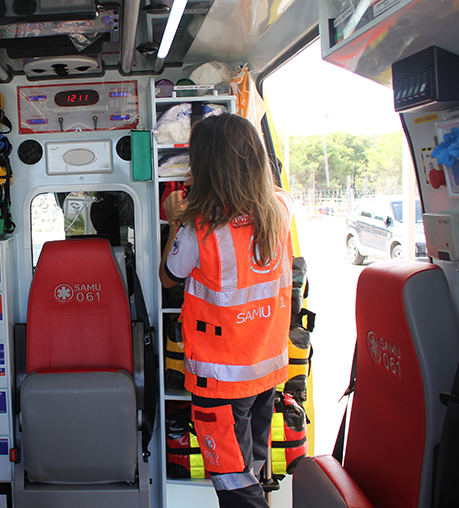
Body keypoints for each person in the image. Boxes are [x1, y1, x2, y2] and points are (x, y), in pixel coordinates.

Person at [159, 113, 293, 508]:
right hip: (266, 371)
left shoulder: (200, 228)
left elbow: (169, 276)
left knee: (235, 486)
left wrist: (175, 219)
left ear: (207, 167)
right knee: (249, 466)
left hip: (220, 382)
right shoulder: (281, 208)